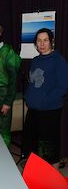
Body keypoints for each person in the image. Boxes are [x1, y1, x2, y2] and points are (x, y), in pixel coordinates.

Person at [23, 28, 68, 165]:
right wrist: (29, 98)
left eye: (45, 40)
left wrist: (44, 101)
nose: (42, 44)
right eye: (39, 41)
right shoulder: (35, 60)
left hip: (50, 110)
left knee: (48, 148)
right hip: (34, 110)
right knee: (31, 143)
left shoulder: (59, 60)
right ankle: (35, 174)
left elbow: (63, 86)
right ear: (35, 43)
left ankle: (50, 179)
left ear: (51, 42)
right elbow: (33, 83)